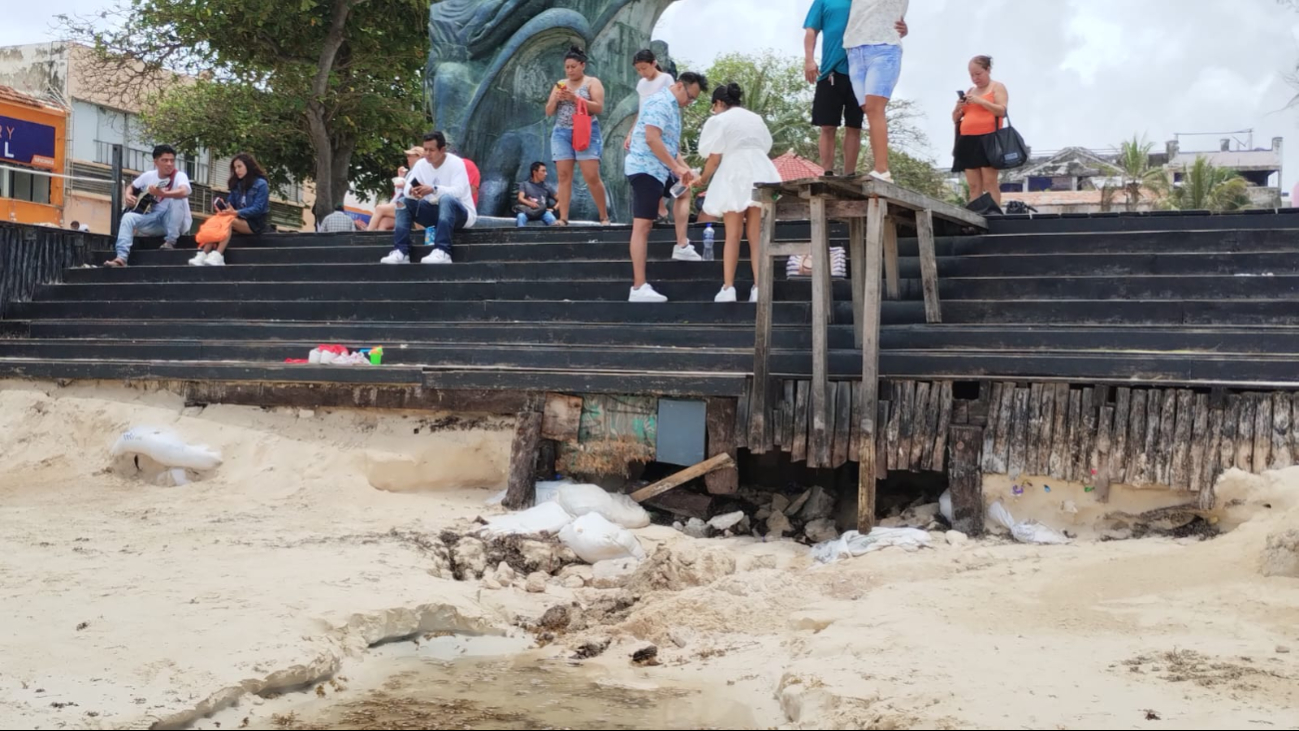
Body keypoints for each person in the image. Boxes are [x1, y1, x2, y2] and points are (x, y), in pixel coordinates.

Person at [624, 71, 709, 303]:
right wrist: (676, 167)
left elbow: (670, 146)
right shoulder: (661, 102)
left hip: (661, 169)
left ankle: (682, 244)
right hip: (645, 168)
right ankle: (638, 287)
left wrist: (684, 168)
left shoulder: (673, 108)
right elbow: (652, 138)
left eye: (694, 100)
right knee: (642, 226)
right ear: (680, 86)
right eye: (690, 97)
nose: (690, 103)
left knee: (684, 190)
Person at [696, 82, 782, 303]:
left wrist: (702, 179)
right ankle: (759, 287)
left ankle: (728, 288)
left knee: (732, 235)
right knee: (756, 237)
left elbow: (713, 157)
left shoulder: (720, 120)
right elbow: (766, 145)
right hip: (760, 171)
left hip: (735, 171)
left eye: (713, 106)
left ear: (719, 103)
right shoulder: (755, 118)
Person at [381, 130, 478, 265]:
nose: (427, 154)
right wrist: (414, 191)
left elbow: (459, 192)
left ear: (442, 150)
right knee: (402, 202)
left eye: (431, 150)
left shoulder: (456, 163)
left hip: (460, 215)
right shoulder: (421, 165)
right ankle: (401, 251)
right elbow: (408, 188)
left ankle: (442, 251)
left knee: (446, 198)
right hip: (434, 213)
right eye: (425, 149)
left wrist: (433, 189)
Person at [843, 0, 909, 182]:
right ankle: (879, 167)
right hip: (854, 50)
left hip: (884, 48)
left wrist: (905, 29)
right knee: (867, 109)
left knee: (874, 108)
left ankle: (882, 170)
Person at [546, 45, 611, 226]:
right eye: (567, 67)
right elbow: (549, 111)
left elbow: (598, 107)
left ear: (582, 65)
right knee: (564, 176)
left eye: (573, 66)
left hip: (586, 130)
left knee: (591, 175)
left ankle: (604, 216)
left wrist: (575, 98)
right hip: (562, 132)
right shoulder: (560, 84)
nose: (570, 70)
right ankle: (563, 218)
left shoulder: (592, 82)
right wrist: (556, 98)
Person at [105, 144, 192, 267]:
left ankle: (170, 241)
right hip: (155, 219)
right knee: (128, 217)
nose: (169, 164)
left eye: (172, 160)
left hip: (175, 222)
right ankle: (121, 258)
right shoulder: (149, 176)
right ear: (155, 161)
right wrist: (128, 195)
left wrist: (163, 193)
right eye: (165, 160)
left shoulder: (179, 176)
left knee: (177, 199)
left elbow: (185, 191)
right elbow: (132, 186)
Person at [192, 153, 269, 266]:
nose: (237, 170)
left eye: (239, 166)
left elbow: (258, 209)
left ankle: (218, 255)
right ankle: (203, 254)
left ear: (248, 166)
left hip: (255, 223)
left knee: (228, 221)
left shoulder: (261, 184)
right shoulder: (237, 184)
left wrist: (236, 212)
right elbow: (231, 203)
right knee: (217, 220)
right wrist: (225, 208)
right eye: (235, 168)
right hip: (238, 218)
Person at [952, 55, 1009, 206]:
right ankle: (975, 216)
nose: (975, 78)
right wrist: (958, 108)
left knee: (989, 183)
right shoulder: (970, 91)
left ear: (988, 70)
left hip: (989, 139)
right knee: (973, 186)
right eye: (972, 75)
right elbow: (956, 118)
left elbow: (1001, 111)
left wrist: (980, 101)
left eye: (978, 74)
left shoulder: (997, 87)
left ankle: (995, 215)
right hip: (968, 140)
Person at [626, 49, 675, 221]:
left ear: (653, 63)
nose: (642, 73)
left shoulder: (666, 79)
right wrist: (631, 133)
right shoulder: (641, 84)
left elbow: (670, 105)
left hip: (659, 127)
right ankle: (658, 207)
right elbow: (641, 110)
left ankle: (661, 206)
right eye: (638, 69)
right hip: (643, 128)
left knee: (661, 164)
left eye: (644, 68)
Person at [368, 147, 424, 231]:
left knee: (379, 208)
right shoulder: (411, 172)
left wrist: (404, 185)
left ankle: (366, 234)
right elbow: (401, 193)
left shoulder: (419, 171)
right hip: (405, 204)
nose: (407, 158)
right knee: (384, 222)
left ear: (419, 157)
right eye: (407, 156)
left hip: (412, 205)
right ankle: (379, 243)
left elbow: (417, 191)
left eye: (410, 156)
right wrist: (401, 178)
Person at [515, 162, 558, 227]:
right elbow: (520, 198)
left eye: (545, 171)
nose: (546, 174)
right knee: (520, 217)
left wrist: (554, 209)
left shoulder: (547, 187)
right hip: (528, 210)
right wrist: (530, 204)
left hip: (542, 211)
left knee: (552, 219)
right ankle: (521, 236)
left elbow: (561, 200)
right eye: (543, 171)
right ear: (535, 172)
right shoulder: (524, 184)